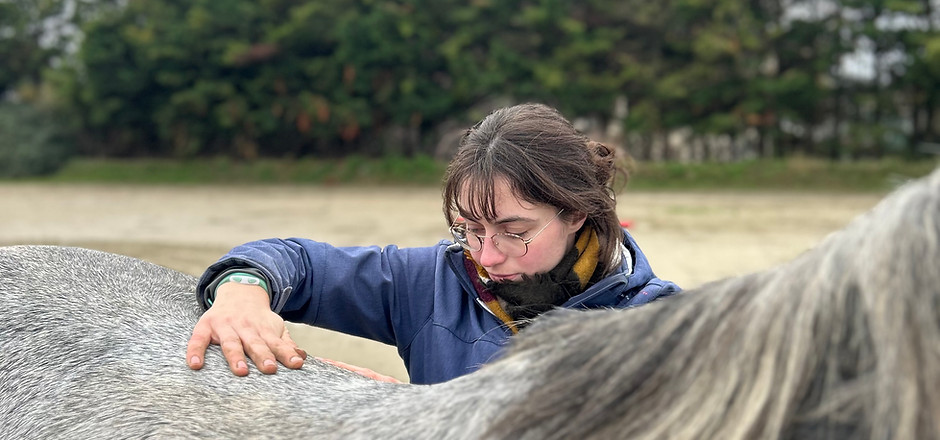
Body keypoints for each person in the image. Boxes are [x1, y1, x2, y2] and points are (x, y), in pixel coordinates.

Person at [185, 103, 680, 385]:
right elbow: (297, 262)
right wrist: (242, 290)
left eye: (514, 231)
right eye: (469, 229)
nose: (486, 257)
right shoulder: (433, 283)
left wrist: (414, 415)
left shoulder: (663, 324)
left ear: (575, 212)